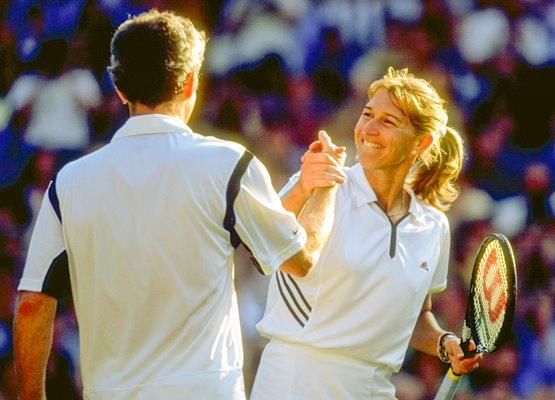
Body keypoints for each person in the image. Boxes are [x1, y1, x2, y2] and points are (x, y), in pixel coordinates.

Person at [13, 9, 346, 400]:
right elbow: (300, 257)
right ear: (190, 83)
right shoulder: (229, 164)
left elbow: (33, 305)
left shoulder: (68, 183)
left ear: (119, 89)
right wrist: (325, 186)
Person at [250, 67, 483, 399]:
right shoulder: (320, 180)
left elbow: (414, 317)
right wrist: (311, 188)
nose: (369, 129)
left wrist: (446, 344)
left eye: (388, 122)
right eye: (368, 114)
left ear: (422, 142)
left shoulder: (433, 226)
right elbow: (268, 244)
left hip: (375, 390)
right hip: (294, 383)